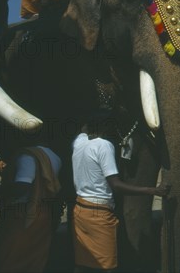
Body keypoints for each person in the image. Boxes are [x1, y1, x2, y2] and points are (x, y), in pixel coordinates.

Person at [72, 109, 169, 272]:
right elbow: (115, 184)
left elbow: (84, 130)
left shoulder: (79, 142)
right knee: (107, 265)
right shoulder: (104, 146)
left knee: (83, 263)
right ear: (105, 128)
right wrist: (152, 190)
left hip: (80, 211)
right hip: (99, 214)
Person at [0, 143, 62, 272]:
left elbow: (22, 187)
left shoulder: (26, 156)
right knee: (35, 260)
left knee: (9, 259)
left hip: (23, 214)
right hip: (44, 213)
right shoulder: (53, 155)